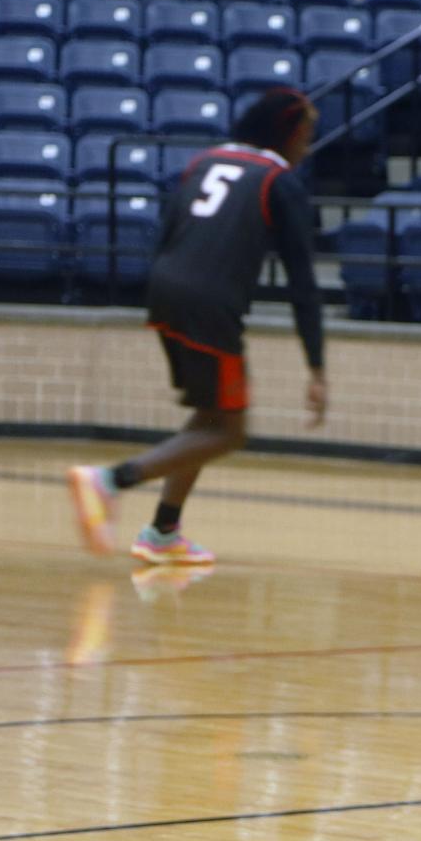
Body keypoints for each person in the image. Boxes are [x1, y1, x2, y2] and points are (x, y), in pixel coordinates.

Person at [66, 87, 327, 564]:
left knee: (210, 414)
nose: (309, 145)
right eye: (307, 133)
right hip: (210, 302)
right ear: (288, 132)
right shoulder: (279, 179)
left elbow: (168, 229)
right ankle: (110, 481)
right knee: (230, 432)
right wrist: (316, 366)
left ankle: (164, 531)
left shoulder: (203, 162)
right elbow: (303, 283)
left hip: (164, 286)